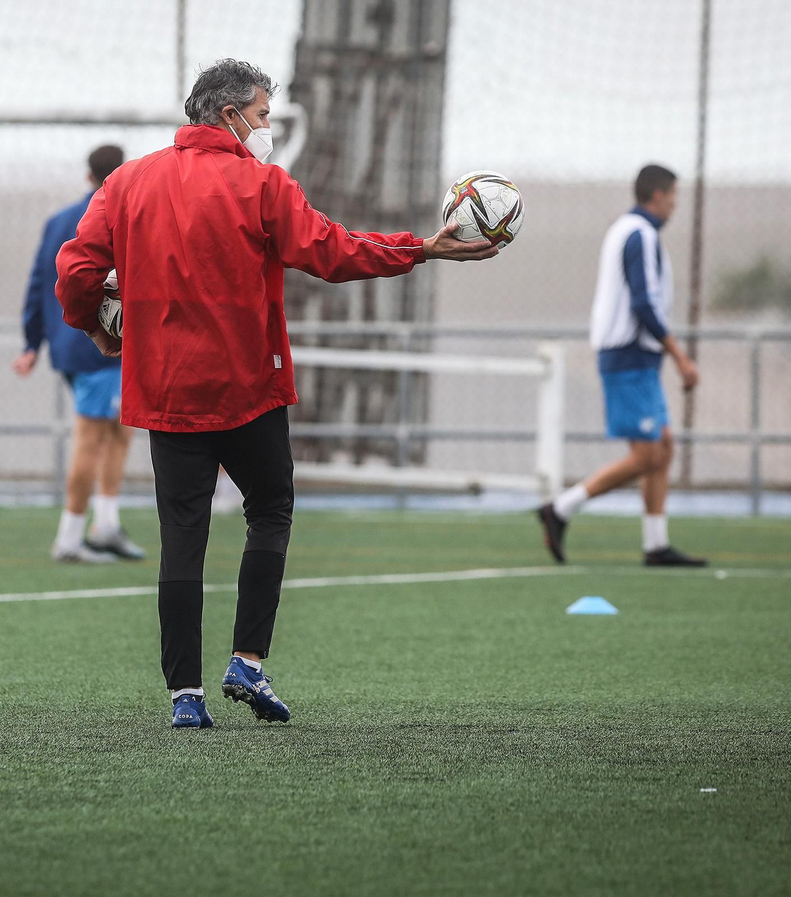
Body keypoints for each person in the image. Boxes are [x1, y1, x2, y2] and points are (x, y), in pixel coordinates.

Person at [56, 59, 501, 729]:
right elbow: (333, 251)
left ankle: (185, 697)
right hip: (246, 390)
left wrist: (95, 324)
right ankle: (247, 661)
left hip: (169, 392)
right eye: (263, 116)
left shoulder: (129, 181)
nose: (267, 128)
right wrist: (422, 248)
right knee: (270, 506)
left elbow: (77, 268)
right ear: (230, 115)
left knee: (183, 535)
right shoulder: (262, 184)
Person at [535, 164, 707, 568]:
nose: (675, 204)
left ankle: (656, 545)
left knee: (662, 448)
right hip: (628, 354)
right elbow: (643, 302)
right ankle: (560, 508)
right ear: (657, 195)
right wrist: (679, 356)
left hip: (638, 356)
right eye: (674, 195)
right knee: (648, 456)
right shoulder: (639, 234)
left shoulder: (631, 232)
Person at [14, 145, 145, 564]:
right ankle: (70, 537)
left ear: (88, 176)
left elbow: (38, 281)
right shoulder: (121, 216)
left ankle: (105, 525)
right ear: (120, 175)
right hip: (102, 346)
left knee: (119, 431)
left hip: (70, 346)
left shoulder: (57, 221)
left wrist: (32, 344)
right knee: (92, 437)